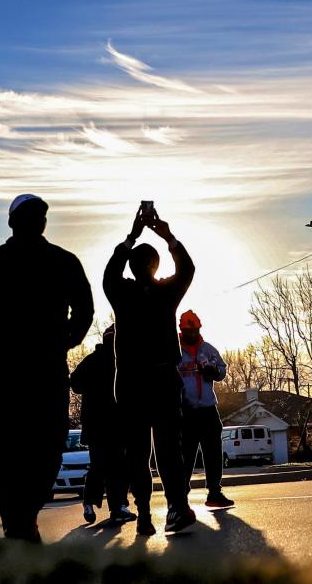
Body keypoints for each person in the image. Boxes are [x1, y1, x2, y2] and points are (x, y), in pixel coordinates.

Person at [0, 193, 94, 542]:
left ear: (44, 223)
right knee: (9, 450)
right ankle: (17, 524)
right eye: (29, 217)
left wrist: (65, 340)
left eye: (40, 217)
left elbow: (84, 311)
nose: (36, 222)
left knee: (48, 445)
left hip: (48, 368)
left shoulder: (64, 262)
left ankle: (24, 516)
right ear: (13, 222)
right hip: (7, 373)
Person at [103, 204, 196, 535]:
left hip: (130, 381)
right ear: (156, 265)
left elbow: (109, 274)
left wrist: (132, 236)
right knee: (169, 448)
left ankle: (145, 512)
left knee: (138, 451)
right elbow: (187, 269)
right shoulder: (165, 291)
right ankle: (176, 506)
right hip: (160, 378)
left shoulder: (122, 292)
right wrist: (167, 235)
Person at [69, 325, 136, 525]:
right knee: (118, 466)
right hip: (113, 424)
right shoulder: (121, 361)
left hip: (98, 424)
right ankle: (118, 506)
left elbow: (75, 383)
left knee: (100, 465)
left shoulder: (93, 360)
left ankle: (91, 501)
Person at [177, 310, 234, 508]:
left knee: (213, 451)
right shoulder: (175, 352)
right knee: (186, 454)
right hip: (186, 412)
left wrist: (214, 371)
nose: (192, 334)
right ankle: (181, 495)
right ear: (181, 329)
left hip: (208, 408)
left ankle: (214, 492)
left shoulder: (208, 350)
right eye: (188, 330)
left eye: (195, 330)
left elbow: (222, 370)